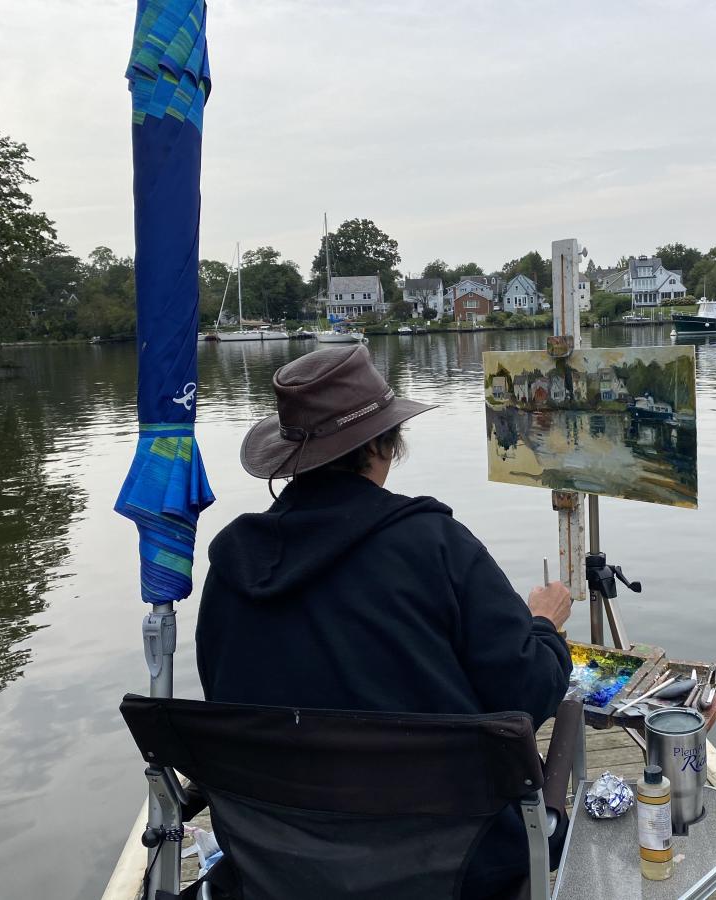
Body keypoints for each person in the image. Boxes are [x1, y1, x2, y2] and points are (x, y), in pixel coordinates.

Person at [196, 344, 573, 898]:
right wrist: (543, 625)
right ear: (380, 444)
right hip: (455, 866)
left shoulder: (232, 564)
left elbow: (224, 693)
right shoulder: (436, 544)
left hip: (280, 866)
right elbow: (527, 693)